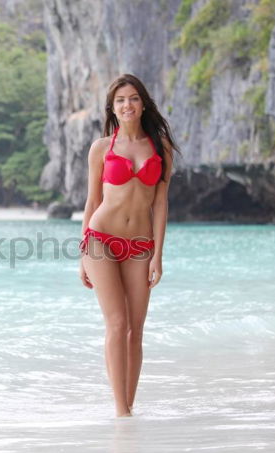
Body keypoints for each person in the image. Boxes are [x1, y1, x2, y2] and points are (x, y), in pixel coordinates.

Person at [78, 74, 180, 418]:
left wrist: (157, 255)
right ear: (113, 108)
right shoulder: (101, 148)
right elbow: (92, 202)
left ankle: (130, 408)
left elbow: (161, 204)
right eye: (120, 100)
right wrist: (82, 256)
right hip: (100, 241)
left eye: (133, 98)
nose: (127, 105)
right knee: (117, 324)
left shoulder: (160, 146)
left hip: (139, 245)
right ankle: (121, 413)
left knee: (136, 331)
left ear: (143, 103)